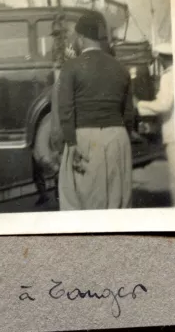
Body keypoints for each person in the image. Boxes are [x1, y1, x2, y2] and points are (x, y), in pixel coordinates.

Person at [57, 12, 134, 210]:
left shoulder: (71, 67)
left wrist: (71, 142)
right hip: (118, 138)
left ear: (81, 38)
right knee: (117, 206)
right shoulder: (121, 69)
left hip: (85, 139)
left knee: (79, 205)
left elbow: (65, 109)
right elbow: (128, 114)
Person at [137, 43, 175, 206]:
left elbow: (164, 104)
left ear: (160, 58)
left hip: (174, 135)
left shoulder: (168, 76)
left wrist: (139, 105)